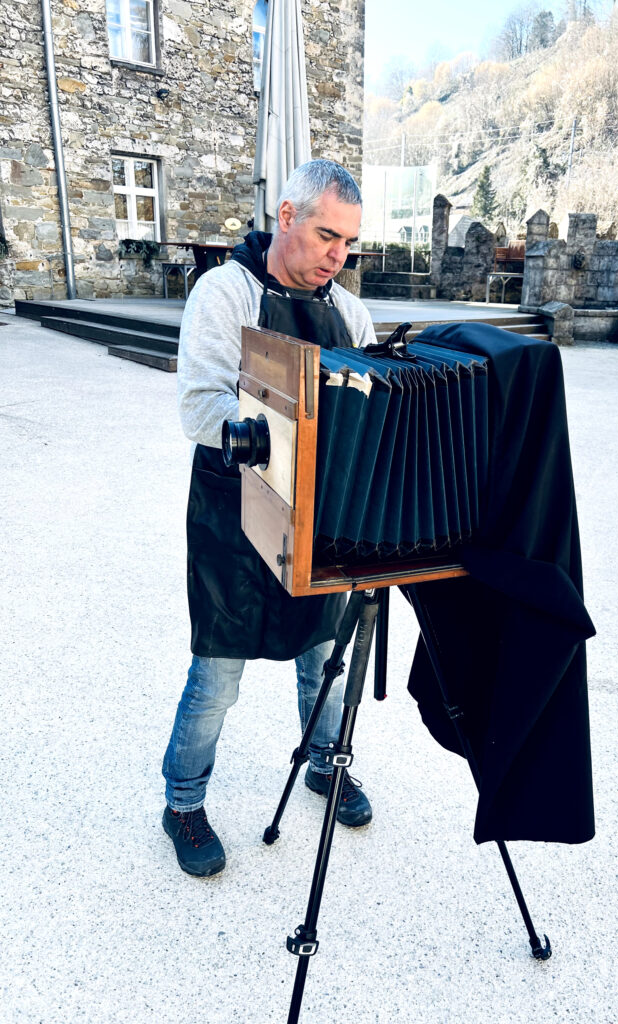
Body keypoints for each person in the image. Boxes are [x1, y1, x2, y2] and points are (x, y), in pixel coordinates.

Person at [162, 160, 377, 877]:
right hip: (235, 513)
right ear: (286, 217)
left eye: (347, 242)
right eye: (325, 235)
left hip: (322, 516)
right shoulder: (224, 292)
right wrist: (284, 426)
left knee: (326, 658)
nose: (336, 255)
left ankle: (324, 765)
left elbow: (371, 405)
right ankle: (183, 803)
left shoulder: (349, 311)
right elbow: (199, 407)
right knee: (218, 669)